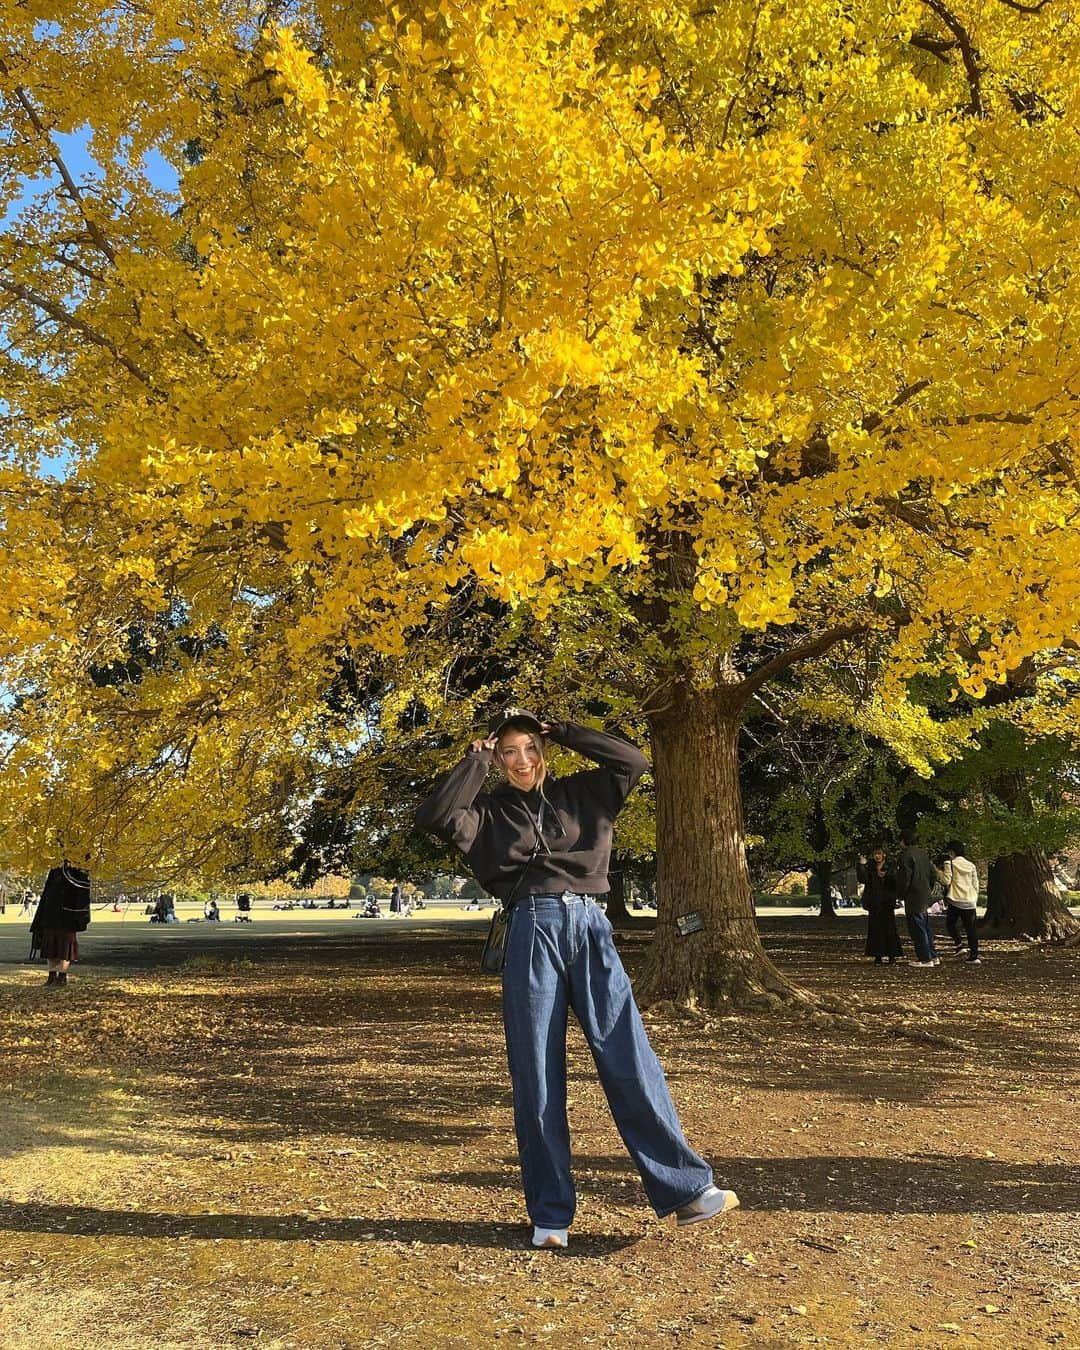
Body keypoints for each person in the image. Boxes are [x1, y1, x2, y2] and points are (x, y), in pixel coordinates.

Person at [417, 706, 738, 1251]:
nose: (523, 761)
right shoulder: (486, 813)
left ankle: (686, 1191)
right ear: (499, 758)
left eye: (531, 749)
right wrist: (475, 760)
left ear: (545, 751)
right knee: (537, 1074)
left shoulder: (585, 795)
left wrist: (562, 728)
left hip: (591, 925)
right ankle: (550, 1214)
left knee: (629, 1057)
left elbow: (632, 759)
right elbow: (436, 816)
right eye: (510, 752)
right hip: (530, 929)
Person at [30, 860, 92, 987]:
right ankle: (52, 976)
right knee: (50, 948)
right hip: (50, 915)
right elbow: (46, 893)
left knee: (65, 949)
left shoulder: (78, 870)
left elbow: (82, 894)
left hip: (67, 917)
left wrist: (80, 917)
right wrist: (40, 918)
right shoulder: (55, 870)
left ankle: (62, 977)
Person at [896, 827, 939, 967]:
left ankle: (925, 958)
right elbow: (933, 874)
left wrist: (901, 893)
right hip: (925, 893)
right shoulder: (923, 854)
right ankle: (932, 955)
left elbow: (905, 878)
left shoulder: (905, 856)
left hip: (913, 895)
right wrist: (929, 887)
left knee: (917, 928)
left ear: (903, 841)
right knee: (925, 926)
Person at [856, 847, 902, 964]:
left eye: (879, 854)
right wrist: (861, 866)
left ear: (884, 855)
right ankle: (878, 955)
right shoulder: (870, 867)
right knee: (875, 929)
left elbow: (896, 881)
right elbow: (863, 879)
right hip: (874, 902)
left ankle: (892, 955)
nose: (877, 856)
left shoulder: (891, 866)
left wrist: (886, 876)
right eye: (875, 854)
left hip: (887, 902)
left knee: (889, 928)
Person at [939, 841, 981, 963]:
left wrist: (939, 873)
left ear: (952, 852)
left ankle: (959, 944)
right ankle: (974, 955)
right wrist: (974, 896)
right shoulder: (971, 865)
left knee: (950, 924)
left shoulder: (950, 863)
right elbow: (975, 883)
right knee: (971, 929)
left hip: (955, 899)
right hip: (969, 900)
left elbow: (946, 881)